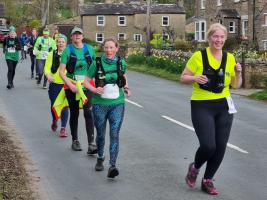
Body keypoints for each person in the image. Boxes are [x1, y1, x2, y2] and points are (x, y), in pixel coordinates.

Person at [181, 23, 242, 195]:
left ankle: (208, 180)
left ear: (225, 39)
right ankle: (195, 168)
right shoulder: (198, 56)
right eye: (216, 36)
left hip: (224, 106)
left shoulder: (230, 58)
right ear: (209, 38)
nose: (219, 40)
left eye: (222, 37)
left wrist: (238, 73)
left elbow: (236, 85)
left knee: (220, 147)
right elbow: (183, 77)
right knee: (208, 146)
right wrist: (194, 77)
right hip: (202, 105)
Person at [83, 37, 131, 179]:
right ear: (103, 48)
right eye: (106, 47)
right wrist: (94, 89)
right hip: (99, 104)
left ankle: (112, 165)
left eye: (111, 47)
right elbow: (85, 81)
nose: (109, 50)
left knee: (114, 134)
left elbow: (124, 75)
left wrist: (127, 87)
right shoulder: (96, 63)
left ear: (116, 48)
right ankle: (100, 157)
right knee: (101, 134)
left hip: (117, 104)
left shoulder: (121, 62)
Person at [59, 27, 97, 154]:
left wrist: (97, 84)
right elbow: (61, 72)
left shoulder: (90, 49)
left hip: (87, 85)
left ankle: (91, 144)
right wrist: (70, 85)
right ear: (71, 37)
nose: (77, 36)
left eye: (79, 34)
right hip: (73, 85)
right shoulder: (67, 50)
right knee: (74, 112)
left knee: (88, 112)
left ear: (83, 36)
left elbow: (95, 68)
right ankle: (75, 141)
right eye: (75, 34)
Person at [44, 34, 69, 137]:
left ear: (66, 43)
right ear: (56, 43)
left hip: (66, 84)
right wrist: (48, 75)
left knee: (64, 107)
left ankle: (63, 128)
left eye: (63, 42)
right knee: (54, 106)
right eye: (59, 41)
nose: (61, 43)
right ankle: (55, 120)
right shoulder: (51, 54)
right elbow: (47, 68)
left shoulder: (69, 54)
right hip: (54, 84)